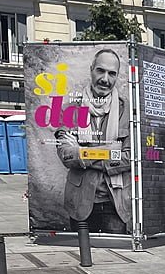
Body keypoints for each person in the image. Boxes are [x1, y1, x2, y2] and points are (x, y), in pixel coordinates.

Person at [54, 48, 132, 234]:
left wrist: (82, 152)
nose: (105, 79)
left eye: (111, 73)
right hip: (79, 204)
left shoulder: (128, 112)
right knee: (81, 259)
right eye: (100, 70)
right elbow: (66, 154)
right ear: (91, 70)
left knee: (115, 261)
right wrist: (109, 150)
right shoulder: (70, 109)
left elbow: (129, 157)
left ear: (117, 76)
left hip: (116, 205)